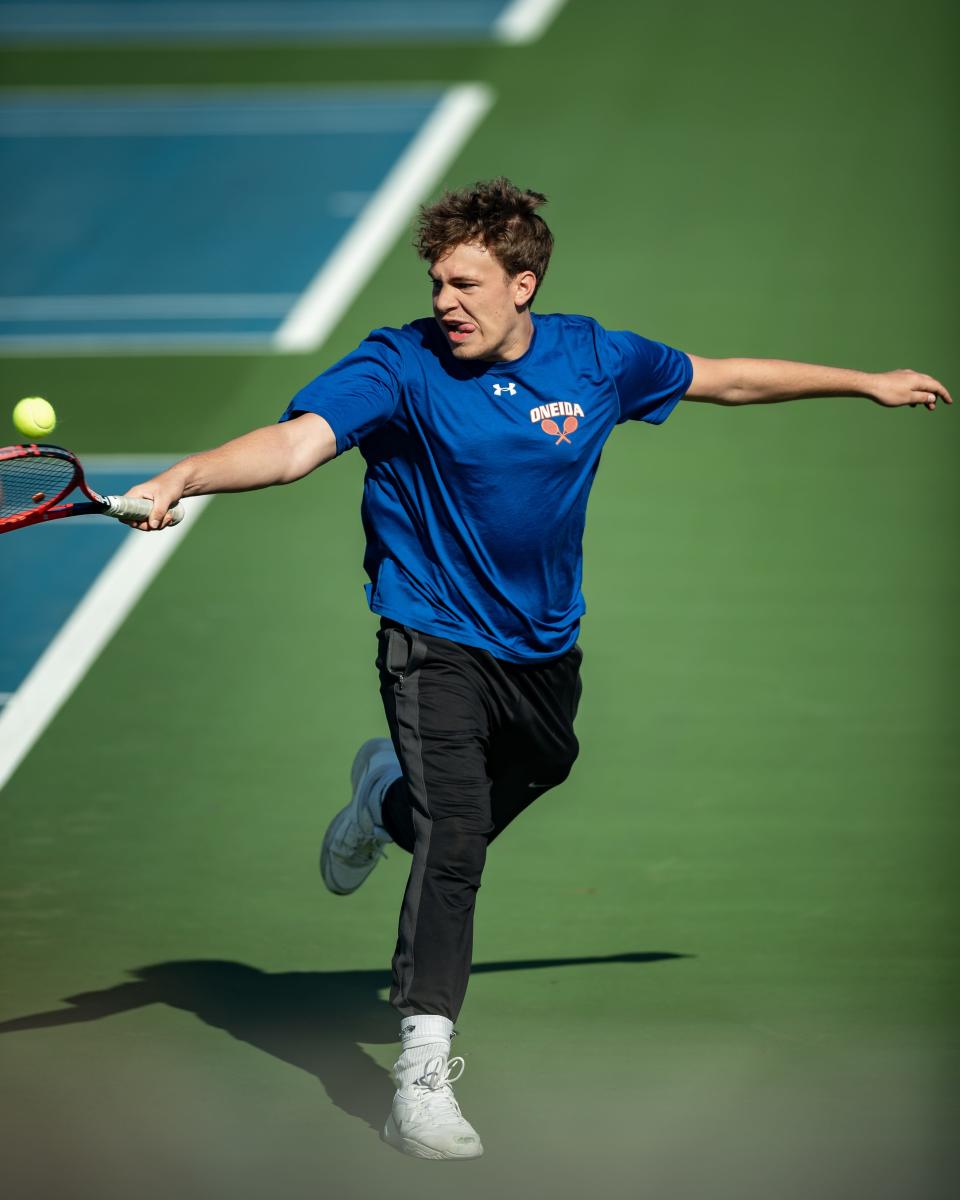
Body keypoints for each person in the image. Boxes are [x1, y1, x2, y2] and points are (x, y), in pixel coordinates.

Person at [126, 177, 951, 1160]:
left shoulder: (597, 360)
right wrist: (184, 476)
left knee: (540, 767)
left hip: (541, 646)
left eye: (467, 284)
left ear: (524, 284)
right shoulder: (399, 365)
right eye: (437, 283)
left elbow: (723, 376)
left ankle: (381, 802)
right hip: (428, 634)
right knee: (460, 835)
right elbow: (295, 446)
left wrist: (863, 380)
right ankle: (421, 1078)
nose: (446, 302)